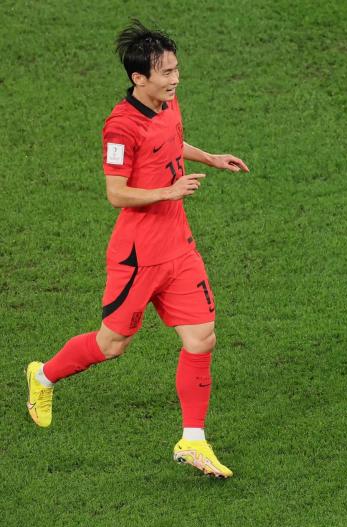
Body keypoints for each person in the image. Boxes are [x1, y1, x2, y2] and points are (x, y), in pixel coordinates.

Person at [25, 19, 249, 478]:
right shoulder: (119, 127)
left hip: (179, 248)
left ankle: (194, 441)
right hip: (137, 257)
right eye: (166, 73)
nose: (175, 80)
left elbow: (170, 143)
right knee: (112, 345)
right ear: (138, 78)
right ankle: (43, 375)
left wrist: (211, 157)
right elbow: (116, 192)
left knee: (202, 336)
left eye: (176, 70)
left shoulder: (168, 103)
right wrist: (167, 192)